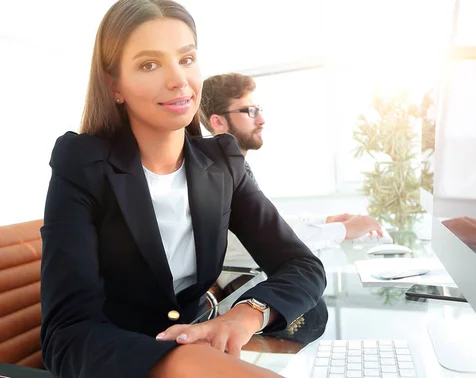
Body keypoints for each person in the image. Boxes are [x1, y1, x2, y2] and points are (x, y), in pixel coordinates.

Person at [39, 1, 326, 377]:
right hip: (124, 360)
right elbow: (67, 336)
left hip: (199, 340)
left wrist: (245, 316)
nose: (179, 80)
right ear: (115, 85)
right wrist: (191, 362)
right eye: (149, 65)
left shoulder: (222, 160)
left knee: (311, 311)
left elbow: (302, 265)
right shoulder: (82, 163)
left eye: (187, 59)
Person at [199, 73, 384, 291]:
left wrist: (328, 219)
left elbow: (264, 221)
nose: (261, 119)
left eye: (258, 109)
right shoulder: (216, 177)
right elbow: (265, 236)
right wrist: (343, 229)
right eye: (250, 111)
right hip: (247, 289)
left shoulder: (235, 167)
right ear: (218, 121)